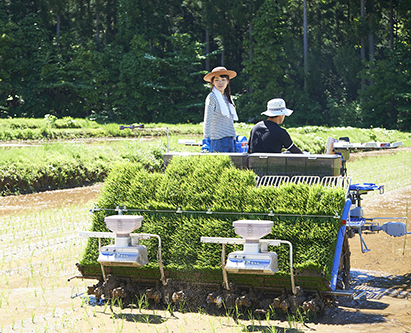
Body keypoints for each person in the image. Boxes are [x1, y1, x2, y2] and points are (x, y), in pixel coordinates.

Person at [203, 66, 238, 153]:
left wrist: (234, 137)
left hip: (231, 139)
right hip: (218, 140)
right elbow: (207, 119)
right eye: (217, 80)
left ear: (228, 81)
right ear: (212, 82)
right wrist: (206, 138)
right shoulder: (212, 97)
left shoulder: (228, 97)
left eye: (223, 79)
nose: (220, 82)